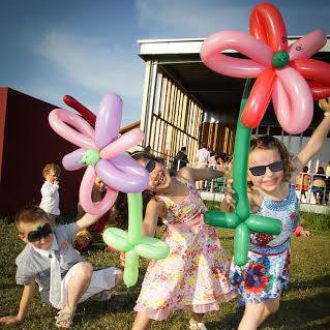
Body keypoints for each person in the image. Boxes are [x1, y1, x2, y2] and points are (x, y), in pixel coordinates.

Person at [223, 98, 330, 330]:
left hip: (280, 254)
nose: (269, 174)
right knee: (251, 316)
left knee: (273, 306)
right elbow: (229, 210)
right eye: (258, 170)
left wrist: (329, 116)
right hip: (255, 261)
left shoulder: (290, 178)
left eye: (275, 165)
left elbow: (314, 145)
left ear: (284, 162)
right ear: (247, 175)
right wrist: (229, 198)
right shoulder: (253, 197)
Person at [127, 151, 235, 330]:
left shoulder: (186, 175)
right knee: (155, 295)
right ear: (141, 188)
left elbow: (215, 173)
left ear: (158, 161)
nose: (153, 175)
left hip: (205, 249)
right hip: (175, 257)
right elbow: (147, 228)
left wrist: (226, 171)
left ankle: (196, 321)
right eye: (143, 177)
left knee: (205, 285)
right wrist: (133, 243)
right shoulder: (157, 202)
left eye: (150, 166)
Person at [0, 205, 122, 328]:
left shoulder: (61, 233)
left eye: (46, 231)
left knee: (117, 275)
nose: (43, 239)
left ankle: (89, 295)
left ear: (50, 225)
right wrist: (19, 316)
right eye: (35, 236)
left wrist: (105, 204)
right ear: (24, 238)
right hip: (57, 295)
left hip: (77, 280)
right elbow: (29, 288)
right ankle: (67, 310)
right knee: (84, 268)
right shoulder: (27, 260)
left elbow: (85, 220)